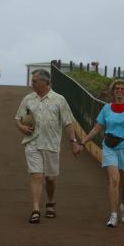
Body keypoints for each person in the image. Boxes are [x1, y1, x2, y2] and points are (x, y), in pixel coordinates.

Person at [80, 79, 124, 227]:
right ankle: (113, 215)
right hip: (109, 146)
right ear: (113, 92)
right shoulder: (106, 109)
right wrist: (83, 142)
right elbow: (96, 128)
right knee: (114, 180)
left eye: (122, 89)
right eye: (117, 88)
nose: (119, 91)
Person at [15, 69, 82, 224]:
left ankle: (50, 203)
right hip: (32, 142)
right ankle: (36, 210)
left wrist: (73, 142)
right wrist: (21, 127)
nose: (31, 84)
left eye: (34, 81)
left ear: (45, 82)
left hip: (51, 145)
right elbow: (17, 118)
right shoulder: (28, 99)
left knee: (50, 179)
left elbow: (67, 122)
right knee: (36, 175)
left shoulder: (59, 100)